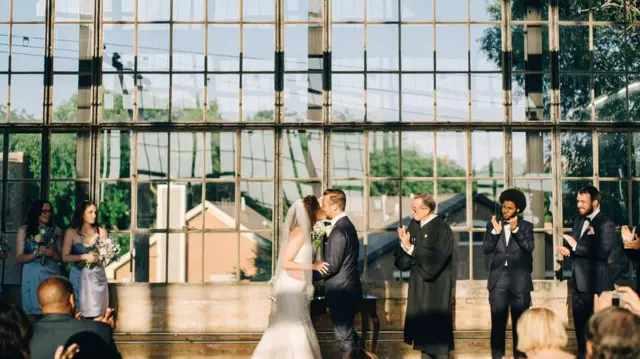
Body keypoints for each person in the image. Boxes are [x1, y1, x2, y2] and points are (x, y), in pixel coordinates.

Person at [251, 196, 327, 359]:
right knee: (292, 325)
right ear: (313, 211)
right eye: (320, 207)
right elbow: (286, 262)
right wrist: (312, 266)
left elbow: (300, 259)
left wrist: (312, 264)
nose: (323, 210)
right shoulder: (299, 232)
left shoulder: (307, 232)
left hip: (298, 285)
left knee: (297, 323)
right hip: (290, 286)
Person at [314, 189, 378, 359]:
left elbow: (332, 266)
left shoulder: (339, 231)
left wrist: (307, 277)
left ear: (335, 207)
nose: (322, 207)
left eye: (325, 204)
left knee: (344, 340)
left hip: (341, 291)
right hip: (348, 288)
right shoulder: (346, 226)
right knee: (349, 336)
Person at [556, 186, 615, 359]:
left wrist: (574, 245)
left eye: (583, 202)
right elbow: (580, 249)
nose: (579, 205)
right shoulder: (578, 221)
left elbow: (603, 252)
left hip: (596, 287)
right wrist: (569, 251)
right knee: (580, 331)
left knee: (598, 331)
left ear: (595, 203)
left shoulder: (606, 224)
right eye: (577, 201)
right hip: (577, 285)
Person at [394, 192, 454, 359]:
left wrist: (411, 248)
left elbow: (436, 260)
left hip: (436, 290)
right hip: (419, 289)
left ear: (427, 209)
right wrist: (403, 243)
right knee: (424, 341)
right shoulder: (415, 224)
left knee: (437, 342)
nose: (412, 212)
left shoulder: (441, 228)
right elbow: (402, 263)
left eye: (415, 209)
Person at [483, 189, 534, 359]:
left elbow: (529, 248)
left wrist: (516, 231)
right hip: (498, 279)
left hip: (520, 280)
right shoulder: (492, 224)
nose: (505, 211)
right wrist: (495, 232)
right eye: (503, 207)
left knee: (521, 325)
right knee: (498, 324)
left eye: (509, 208)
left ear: (518, 209)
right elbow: (486, 249)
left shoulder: (527, 226)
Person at [30, 276, 119, 359]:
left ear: (40, 306)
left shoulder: (26, 333)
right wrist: (103, 330)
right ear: (71, 300)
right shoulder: (98, 330)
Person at [15, 200, 63, 319]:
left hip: (51, 273)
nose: (48, 214)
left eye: (50, 211)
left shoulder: (56, 231)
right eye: (44, 211)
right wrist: (35, 254)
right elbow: (19, 258)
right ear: (36, 212)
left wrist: (52, 253)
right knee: (33, 310)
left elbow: (62, 258)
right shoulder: (24, 231)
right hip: (32, 275)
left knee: (52, 310)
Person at [62, 201, 109, 319]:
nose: (94, 215)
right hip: (78, 276)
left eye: (95, 212)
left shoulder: (101, 231)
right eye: (90, 212)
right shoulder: (71, 232)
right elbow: (65, 257)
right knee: (79, 311)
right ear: (82, 214)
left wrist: (98, 258)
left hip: (96, 276)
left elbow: (106, 257)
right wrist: (84, 257)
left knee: (98, 311)